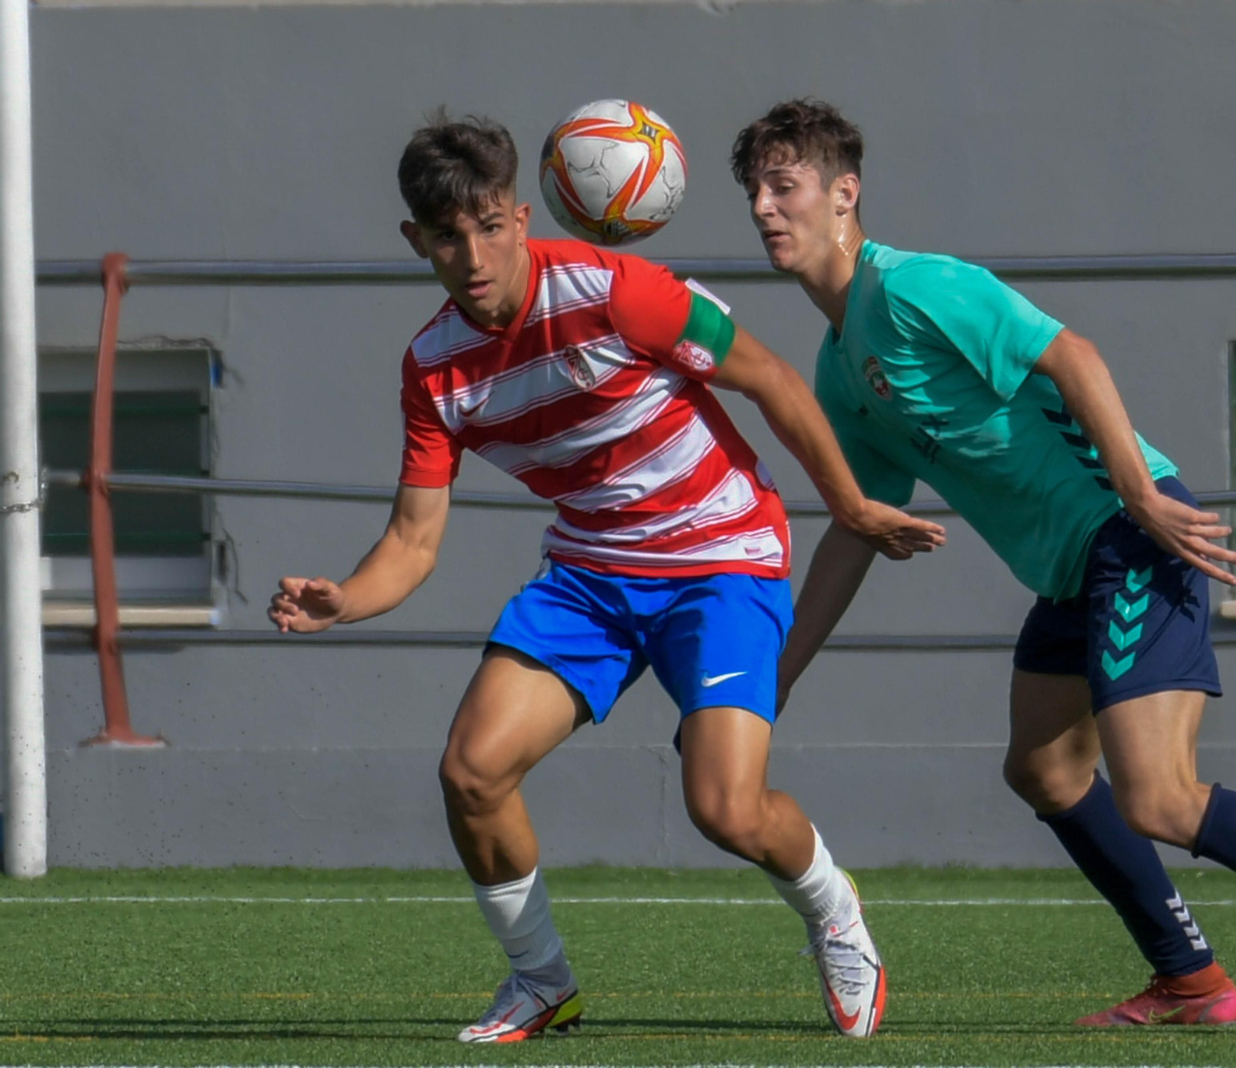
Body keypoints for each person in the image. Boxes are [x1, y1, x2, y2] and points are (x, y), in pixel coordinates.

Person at [729, 98, 1236, 1037]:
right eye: (753, 190)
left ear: (845, 194)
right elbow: (856, 526)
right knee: (1043, 771)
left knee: (1158, 794)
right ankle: (1192, 981)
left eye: (783, 185)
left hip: (1131, 539)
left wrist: (1139, 494)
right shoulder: (841, 367)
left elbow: (1071, 353)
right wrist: (774, 679)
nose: (763, 207)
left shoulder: (915, 288)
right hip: (1072, 573)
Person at [270, 112, 945, 1041]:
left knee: (724, 807)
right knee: (471, 772)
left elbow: (774, 378)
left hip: (721, 558)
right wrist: (345, 599)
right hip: (592, 575)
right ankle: (541, 983)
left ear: (519, 212)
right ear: (415, 240)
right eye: (446, 236)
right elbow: (414, 542)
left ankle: (833, 909)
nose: (473, 255)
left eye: (490, 226)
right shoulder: (433, 370)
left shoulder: (621, 288)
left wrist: (852, 506)